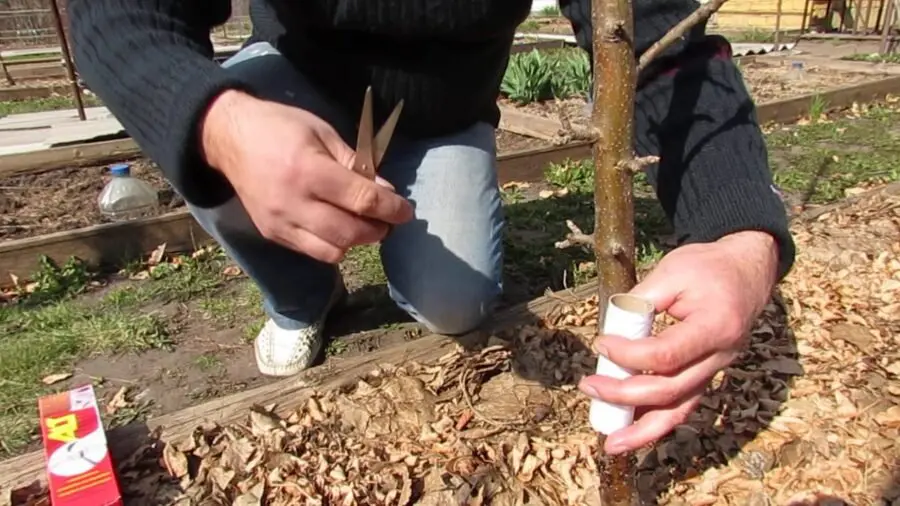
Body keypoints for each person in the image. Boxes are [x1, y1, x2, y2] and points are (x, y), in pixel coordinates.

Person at [68, 0, 795, 455]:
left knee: (458, 303)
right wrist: (217, 123)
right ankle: (299, 300)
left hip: (444, 116)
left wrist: (737, 232)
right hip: (289, 89)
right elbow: (115, 13)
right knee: (215, 167)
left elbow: (656, 33)